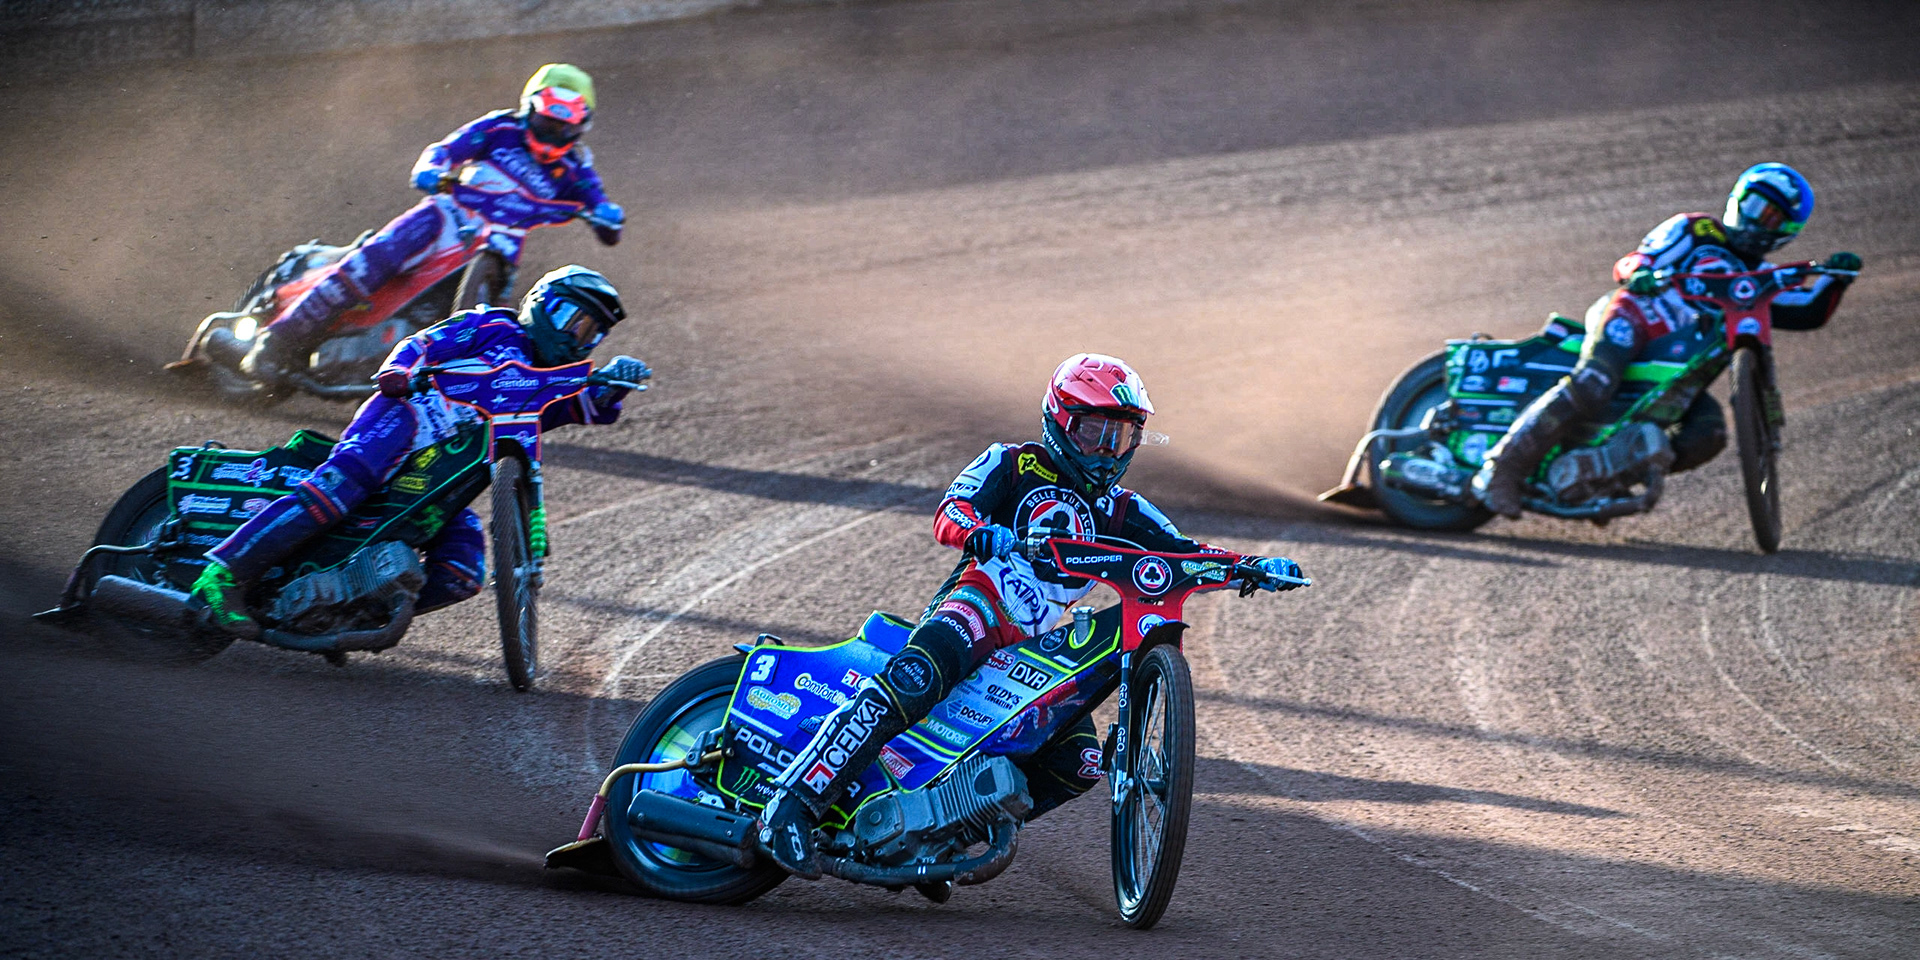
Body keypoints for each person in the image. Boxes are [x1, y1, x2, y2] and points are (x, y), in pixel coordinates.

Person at [755, 353, 1306, 878]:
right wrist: (978, 531)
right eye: (1096, 432)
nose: (1109, 451)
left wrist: (1251, 567)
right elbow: (951, 511)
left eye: (1124, 436)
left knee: (1082, 763)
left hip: (1036, 648)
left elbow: (1184, 555)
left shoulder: (1123, 508)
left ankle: (941, 836)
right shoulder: (1011, 462)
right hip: (978, 605)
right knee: (915, 679)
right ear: (1060, 421)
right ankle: (792, 804)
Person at [191, 266, 649, 638]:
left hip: (440, 482)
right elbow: (424, 343)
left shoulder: (544, 385)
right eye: (572, 318)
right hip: (404, 421)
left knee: (462, 570)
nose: (576, 337)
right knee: (339, 490)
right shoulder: (493, 326)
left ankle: (352, 609)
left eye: (591, 334)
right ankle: (223, 574)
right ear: (540, 304)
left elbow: (575, 407)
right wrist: (397, 369)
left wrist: (610, 385)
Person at [1472, 163, 1862, 518]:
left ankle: (1601, 476)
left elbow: (1807, 310)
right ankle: (1500, 469)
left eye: (1773, 218)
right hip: (1632, 318)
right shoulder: (1694, 230)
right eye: (1758, 207)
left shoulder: (1760, 279)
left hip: (1680, 369)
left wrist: (1837, 279)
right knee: (1594, 383)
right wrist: (1641, 271)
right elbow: (1635, 259)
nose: (1760, 221)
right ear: (1738, 199)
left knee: (1708, 433)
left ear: (1785, 234)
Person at [241, 63, 626, 385]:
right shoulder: (498, 129)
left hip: (503, 245)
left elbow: (600, 206)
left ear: (581, 125)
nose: (554, 134)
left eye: (565, 127)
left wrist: (607, 215)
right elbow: (445, 150)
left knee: (503, 320)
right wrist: (432, 168)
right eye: (547, 122)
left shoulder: (576, 169)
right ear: (530, 108)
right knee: (376, 258)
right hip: (447, 214)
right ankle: (276, 340)